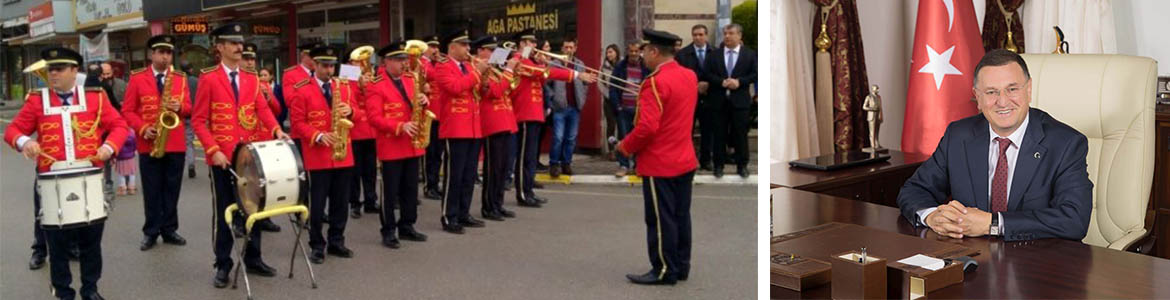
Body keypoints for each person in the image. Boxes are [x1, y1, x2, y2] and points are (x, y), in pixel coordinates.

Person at [896, 49, 1093, 241]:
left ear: (1029, 89)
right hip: (973, 258)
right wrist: (932, 216)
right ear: (978, 97)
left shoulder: (1066, 143)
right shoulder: (958, 135)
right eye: (991, 92)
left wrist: (993, 223)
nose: (1003, 101)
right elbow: (914, 190)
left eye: (1012, 89)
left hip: (1038, 262)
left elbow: (1074, 220)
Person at [5, 46, 130, 300]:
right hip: (53, 181)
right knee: (58, 245)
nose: (53, 74)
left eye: (59, 69)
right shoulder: (37, 100)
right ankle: (63, 292)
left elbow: (119, 125)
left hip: (90, 177)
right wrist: (24, 142)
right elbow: (13, 130)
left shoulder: (95, 97)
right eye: (50, 69)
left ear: (75, 71)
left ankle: (90, 289)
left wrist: (108, 147)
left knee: (91, 242)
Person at [192, 23, 289, 287]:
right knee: (224, 211)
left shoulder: (251, 78)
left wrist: (277, 129)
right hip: (222, 159)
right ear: (220, 47)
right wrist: (213, 151)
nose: (239, 47)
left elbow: (262, 110)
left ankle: (253, 258)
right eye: (232, 43)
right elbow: (199, 121)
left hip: (250, 156)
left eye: (240, 43)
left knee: (254, 207)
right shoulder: (209, 78)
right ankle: (222, 264)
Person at [617, 29, 698, 285]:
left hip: (659, 162)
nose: (642, 57)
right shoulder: (689, 75)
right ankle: (681, 265)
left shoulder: (654, 82)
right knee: (680, 215)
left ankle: (664, 269)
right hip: (684, 158)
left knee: (660, 220)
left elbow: (647, 128)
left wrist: (625, 146)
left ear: (654, 52)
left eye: (644, 52)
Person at [289, 45, 360, 263]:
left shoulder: (344, 87)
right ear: (315, 65)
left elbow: (361, 111)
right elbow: (297, 123)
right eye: (325, 66)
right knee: (317, 205)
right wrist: (318, 136)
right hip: (317, 157)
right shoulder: (302, 89)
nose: (330, 71)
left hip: (343, 154)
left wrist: (353, 112)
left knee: (341, 203)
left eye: (332, 66)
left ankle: (337, 241)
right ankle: (317, 245)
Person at [121, 35, 192, 251]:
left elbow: (190, 109)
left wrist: (179, 107)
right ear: (152, 54)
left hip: (175, 142)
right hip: (149, 142)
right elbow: (128, 111)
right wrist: (143, 128)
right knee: (152, 190)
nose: (165, 56)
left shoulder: (180, 78)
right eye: (161, 52)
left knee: (172, 189)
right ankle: (151, 231)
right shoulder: (137, 78)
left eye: (168, 52)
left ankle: (169, 229)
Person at [510, 29, 596, 207]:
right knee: (524, 157)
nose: (534, 46)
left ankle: (528, 190)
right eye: (530, 43)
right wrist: (576, 75)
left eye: (534, 43)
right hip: (524, 113)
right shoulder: (518, 60)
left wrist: (542, 63)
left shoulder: (531, 61)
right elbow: (547, 74)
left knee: (531, 156)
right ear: (522, 44)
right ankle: (522, 193)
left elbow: (541, 80)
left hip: (535, 113)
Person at [366, 40, 431, 248]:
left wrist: (423, 100)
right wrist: (399, 127)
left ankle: (407, 225)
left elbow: (416, 106)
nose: (404, 64)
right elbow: (374, 118)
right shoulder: (375, 85)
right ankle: (388, 230)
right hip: (392, 145)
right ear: (386, 62)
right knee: (390, 191)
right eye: (399, 60)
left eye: (405, 59)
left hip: (412, 144)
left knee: (411, 189)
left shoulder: (412, 80)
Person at [432, 29, 488, 234]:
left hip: (473, 127)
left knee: (469, 174)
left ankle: (464, 213)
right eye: (464, 45)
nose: (468, 49)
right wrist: (477, 73)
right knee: (454, 175)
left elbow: (478, 91)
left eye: (468, 45)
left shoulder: (468, 66)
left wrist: (485, 77)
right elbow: (455, 87)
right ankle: (449, 215)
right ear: (452, 47)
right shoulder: (442, 66)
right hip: (455, 128)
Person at [473, 36, 521, 221]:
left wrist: (514, 73)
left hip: (506, 121)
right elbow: (495, 92)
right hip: (492, 123)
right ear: (481, 51)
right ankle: (489, 206)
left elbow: (510, 91)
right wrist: (509, 70)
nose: (494, 53)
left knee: (503, 168)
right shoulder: (482, 71)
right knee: (493, 168)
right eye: (490, 50)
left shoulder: (496, 70)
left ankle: (498, 204)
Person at [240, 44, 285, 233]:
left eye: (252, 59)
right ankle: (240, 220)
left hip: (265, 140)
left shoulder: (262, 84)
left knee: (266, 183)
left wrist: (268, 97)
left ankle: (265, 217)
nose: (250, 62)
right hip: (248, 139)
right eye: (246, 58)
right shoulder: (240, 83)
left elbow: (277, 110)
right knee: (244, 183)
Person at [702, 23, 757, 179]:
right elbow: (707, 73)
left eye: (731, 33)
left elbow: (755, 74)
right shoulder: (714, 55)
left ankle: (742, 165)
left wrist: (739, 82)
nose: (727, 36)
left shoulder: (749, 54)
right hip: (718, 101)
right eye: (725, 33)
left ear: (739, 36)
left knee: (740, 134)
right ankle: (718, 166)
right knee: (719, 134)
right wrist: (721, 82)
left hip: (740, 102)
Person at [547, 38, 595, 178]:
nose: (568, 50)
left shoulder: (580, 65)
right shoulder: (554, 64)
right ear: (562, 49)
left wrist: (582, 100)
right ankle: (554, 163)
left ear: (575, 49)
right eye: (566, 47)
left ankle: (566, 163)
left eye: (571, 48)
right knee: (558, 137)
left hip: (574, 107)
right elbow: (546, 83)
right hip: (559, 107)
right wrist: (553, 97)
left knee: (571, 138)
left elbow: (586, 84)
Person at [348, 46, 381, 219]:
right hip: (355, 129)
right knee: (355, 170)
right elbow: (348, 100)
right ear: (350, 62)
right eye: (357, 61)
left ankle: (370, 200)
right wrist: (360, 86)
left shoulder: (372, 76)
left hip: (371, 129)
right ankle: (354, 203)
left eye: (364, 61)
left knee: (370, 169)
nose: (361, 64)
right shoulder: (346, 77)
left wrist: (369, 85)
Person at [676, 24, 714, 171]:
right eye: (695, 35)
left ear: (706, 35)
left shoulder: (715, 52)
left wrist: (708, 84)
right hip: (688, 100)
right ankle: (688, 159)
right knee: (687, 131)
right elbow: (679, 76)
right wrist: (694, 86)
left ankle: (706, 160)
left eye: (700, 34)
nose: (698, 37)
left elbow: (719, 73)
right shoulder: (683, 54)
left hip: (709, 98)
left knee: (708, 131)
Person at [610, 42, 650, 177]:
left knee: (640, 137)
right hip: (624, 108)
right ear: (627, 51)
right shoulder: (620, 66)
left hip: (640, 109)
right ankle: (623, 165)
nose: (633, 54)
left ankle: (638, 165)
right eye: (631, 51)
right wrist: (618, 106)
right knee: (624, 137)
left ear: (640, 52)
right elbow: (613, 88)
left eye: (636, 51)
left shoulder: (646, 67)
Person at [422, 34, 447, 201]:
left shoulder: (437, 63)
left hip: (440, 113)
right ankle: (428, 185)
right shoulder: (421, 63)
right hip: (427, 113)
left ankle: (435, 183)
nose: (435, 50)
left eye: (437, 46)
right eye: (431, 46)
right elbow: (431, 74)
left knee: (438, 153)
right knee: (429, 153)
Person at [600, 44, 621, 160]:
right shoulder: (603, 67)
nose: (609, 55)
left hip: (621, 100)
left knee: (622, 126)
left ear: (616, 53)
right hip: (608, 101)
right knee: (611, 126)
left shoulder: (622, 66)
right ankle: (611, 150)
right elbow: (600, 84)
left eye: (611, 52)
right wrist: (609, 96)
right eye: (607, 52)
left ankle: (622, 149)